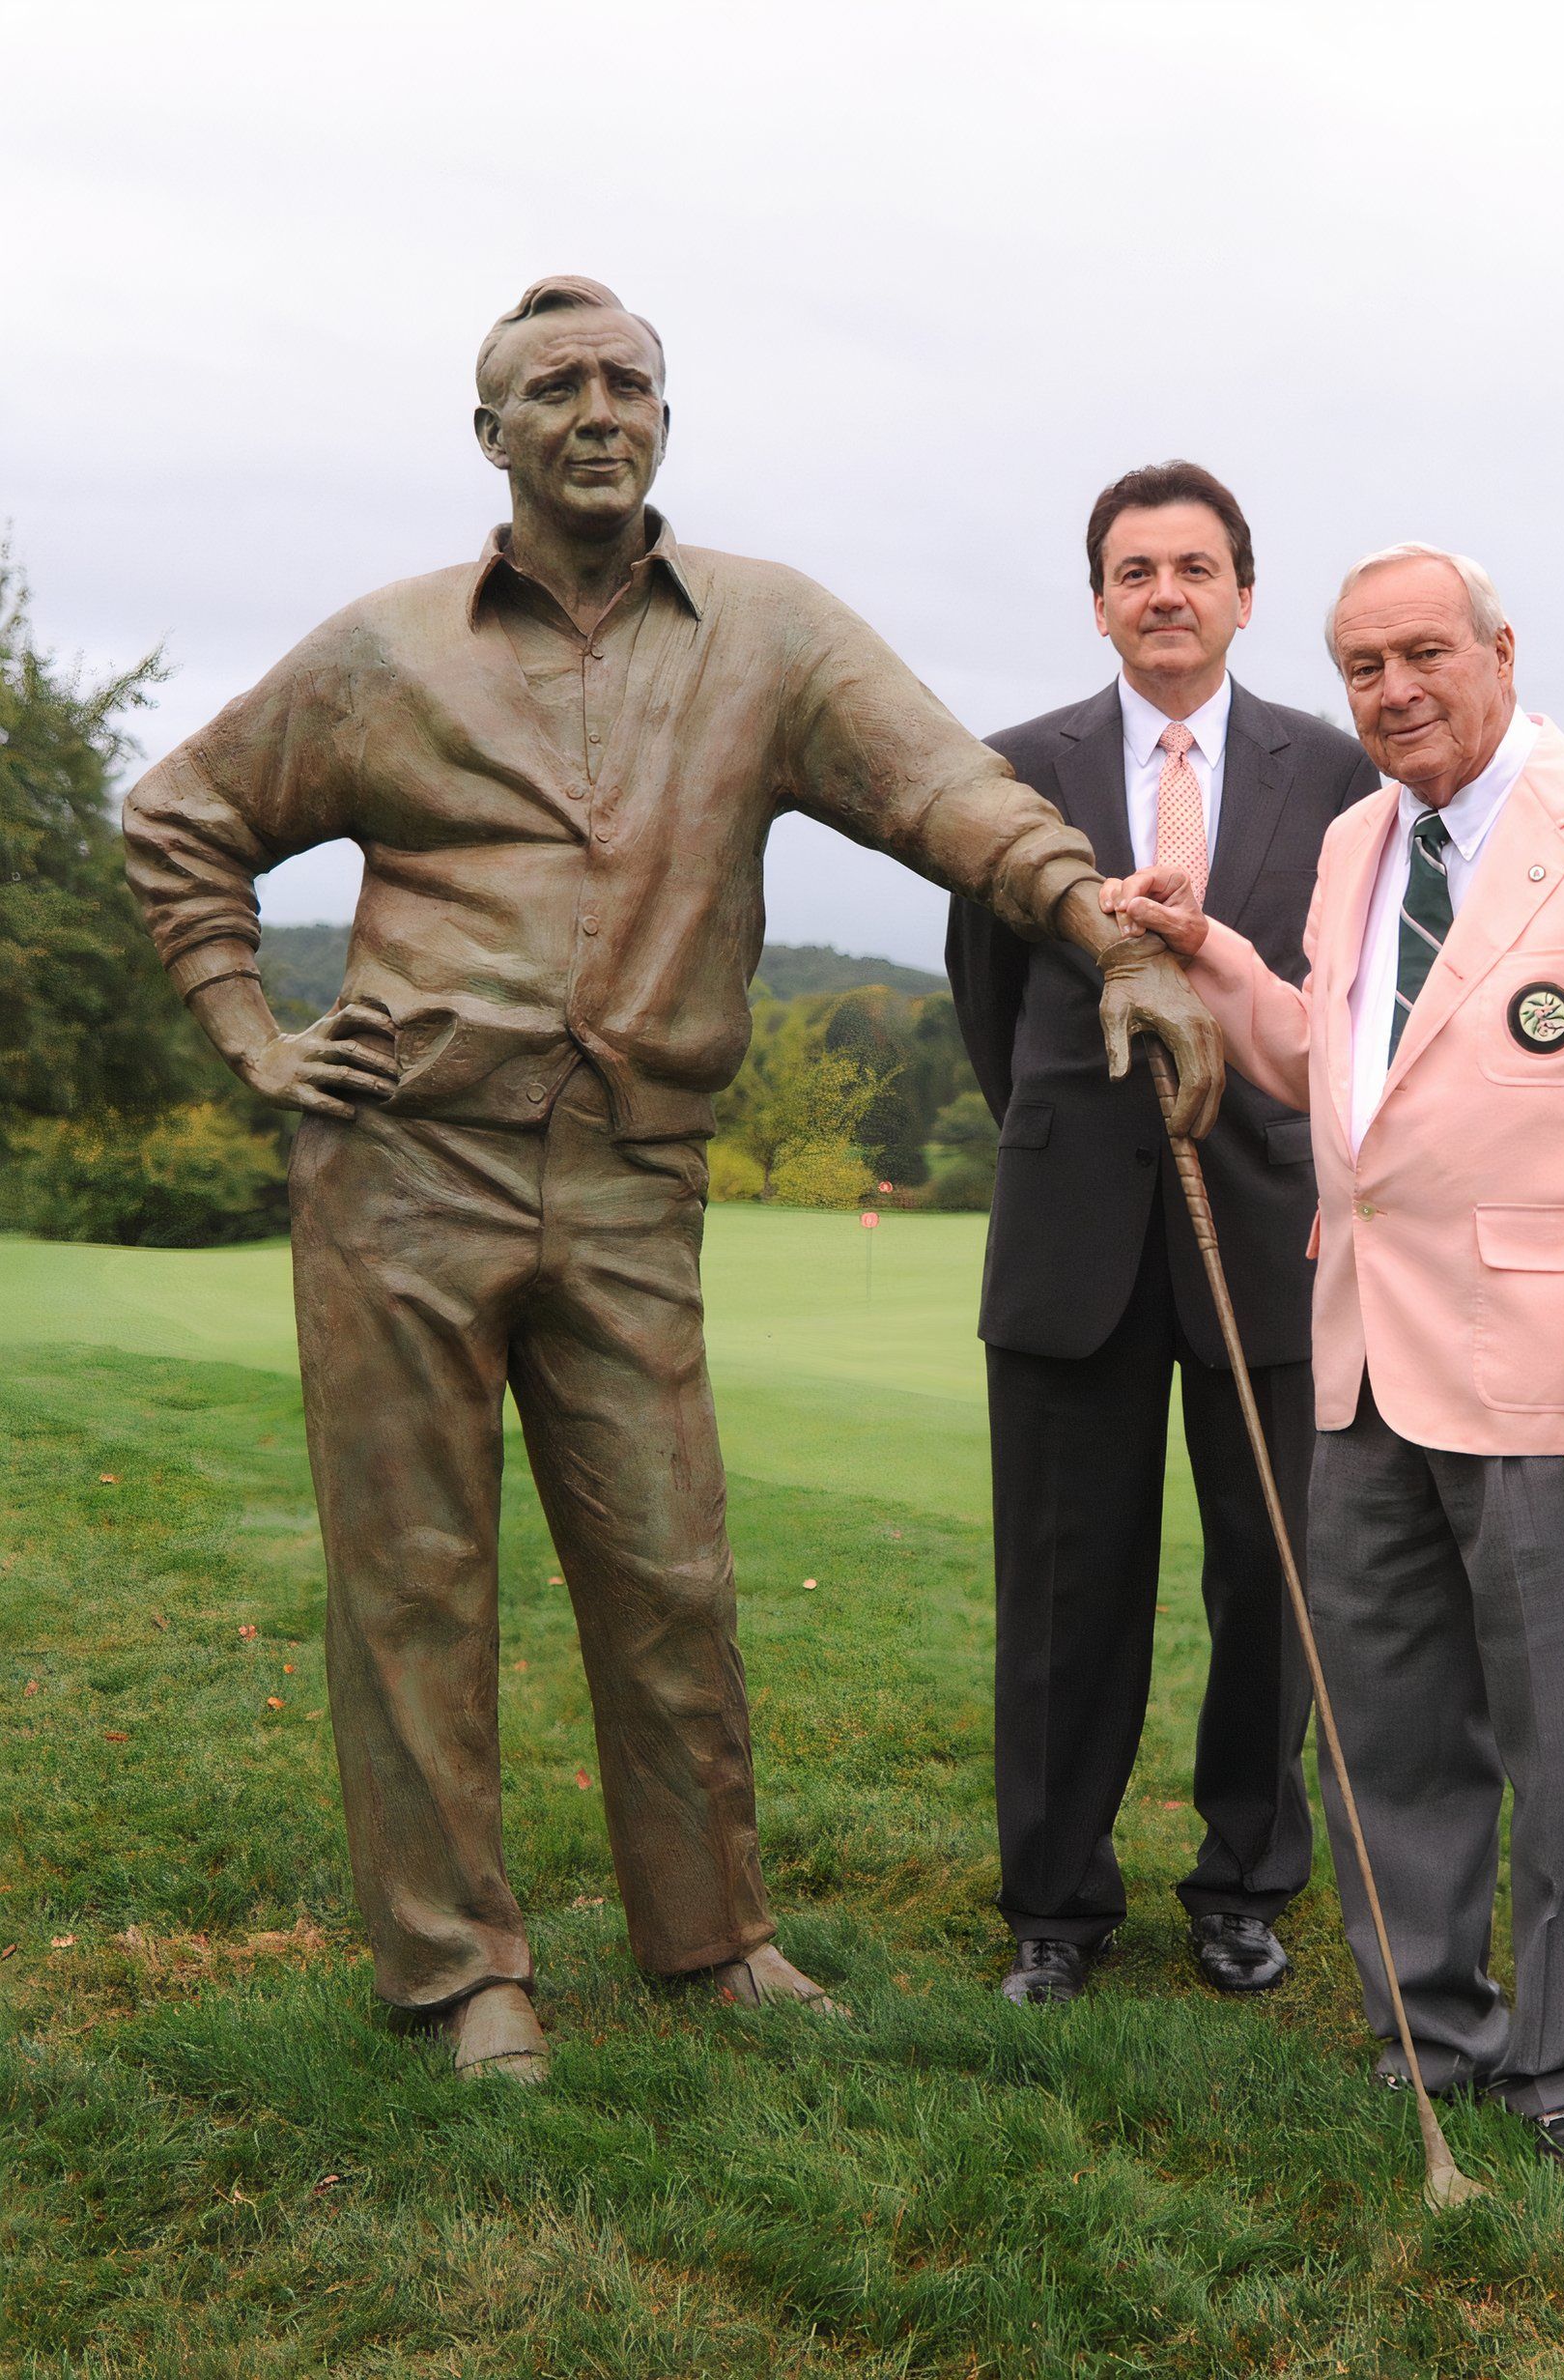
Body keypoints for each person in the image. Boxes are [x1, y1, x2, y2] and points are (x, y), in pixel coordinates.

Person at [122, 275, 1223, 2083]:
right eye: (553, 386)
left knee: (672, 1569)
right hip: (401, 1166)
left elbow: (954, 796)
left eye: (629, 380)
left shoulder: (769, 636)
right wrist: (251, 1033)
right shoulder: (386, 652)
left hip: (633, 1176)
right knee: (411, 1571)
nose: (599, 407)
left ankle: (710, 1938)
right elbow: (182, 819)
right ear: (493, 437)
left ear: (664, 416)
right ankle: (458, 1972)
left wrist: (1111, 930)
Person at [1105, 542, 1564, 2160]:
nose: (1393, 693)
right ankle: (1431, 2029)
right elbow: (1327, 1062)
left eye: (1421, 657)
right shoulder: (1350, 843)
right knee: (1387, 1731)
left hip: (1555, 1375)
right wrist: (1212, 957)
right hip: (1366, 1366)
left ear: (1501, 649)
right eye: (1360, 670)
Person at [947, 464, 1376, 2006]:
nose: (1167, 594)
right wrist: (1083, 1132)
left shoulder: (1333, 774)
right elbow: (990, 1013)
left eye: (1196, 567)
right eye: (1136, 571)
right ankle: (1056, 1907)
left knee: (1270, 1576)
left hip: (1270, 1232)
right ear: (1101, 600)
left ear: (1245, 595)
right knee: (1067, 1587)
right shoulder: (1011, 769)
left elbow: (1344, 1003)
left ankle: (1246, 1887)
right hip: (1072, 1241)